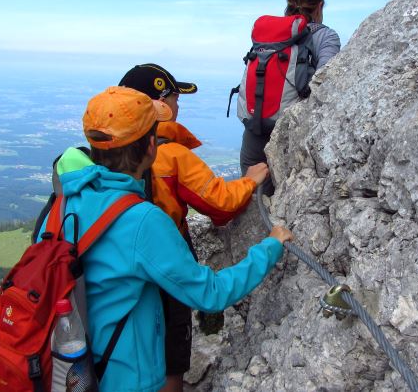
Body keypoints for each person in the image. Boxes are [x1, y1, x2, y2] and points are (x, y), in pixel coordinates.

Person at [42, 86, 292, 391]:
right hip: (128, 381)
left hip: (73, 372)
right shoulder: (142, 221)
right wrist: (271, 246)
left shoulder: (66, 201)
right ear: (151, 146)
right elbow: (210, 293)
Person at [118, 63, 270, 391]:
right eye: (173, 97)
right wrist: (249, 181)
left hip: (120, 262)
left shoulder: (110, 153)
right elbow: (220, 205)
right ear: (156, 105)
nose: (178, 104)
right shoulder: (171, 154)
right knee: (171, 352)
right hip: (165, 262)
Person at [240, 0, 341, 195]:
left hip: (256, 122)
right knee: (289, 198)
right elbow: (326, 80)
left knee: (252, 193)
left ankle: (253, 226)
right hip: (293, 128)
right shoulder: (326, 37)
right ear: (319, 6)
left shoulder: (270, 37)